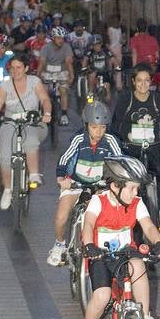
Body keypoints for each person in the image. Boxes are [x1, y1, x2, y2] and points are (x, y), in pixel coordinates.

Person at [75, 155, 160, 319]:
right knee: (102, 296)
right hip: (100, 254)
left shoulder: (136, 203)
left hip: (126, 253)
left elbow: (148, 225)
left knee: (138, 265)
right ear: (115, 186)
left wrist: (159, 242)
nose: (136, 193)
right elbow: (89, 224)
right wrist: (90, 245)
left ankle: (145, 318)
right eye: (132, 188)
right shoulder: (98, 201)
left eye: (138, 188)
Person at [46, 100, 122, 267]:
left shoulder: (111, 141)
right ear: (86, 125)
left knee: (102, 216)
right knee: (61, 216)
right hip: (75, 183)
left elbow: (119, 160)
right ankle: (59, 245)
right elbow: (65, 159)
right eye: (94, 127)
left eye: (102, 127)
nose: (98, 132)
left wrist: (119, 180)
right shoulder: (79, 139)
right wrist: (61, 178)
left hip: (99, 185)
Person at [111, 63, 160, 229]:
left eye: (147, 81)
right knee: (128, 178)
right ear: (133, 82)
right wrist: (115, 141)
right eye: (139, 81)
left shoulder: (157, 99)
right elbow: (116, 123)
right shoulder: (126, 99)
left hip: (153, 145)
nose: (143, 85)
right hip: (130, 146)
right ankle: (124, 208)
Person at [0, 52, 53, 210]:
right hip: (11, 122)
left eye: (19, 67)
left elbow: (45, 99)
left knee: (30, 139)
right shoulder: (5, 85)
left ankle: (34, 174)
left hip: (33, 122)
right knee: (5, 152)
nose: (15, 71)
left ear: (26, 68)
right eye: (12, 68)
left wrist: (47, 113)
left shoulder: (34, 82)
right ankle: (8, 190)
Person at [39, 26, 75, 127]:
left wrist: (71, 76)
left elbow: (68, 62)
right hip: (47, 72)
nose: (61, 40)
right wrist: (38, 75)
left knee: (63, 91)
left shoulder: (67, 47)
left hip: (62, 72)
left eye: (63, 38)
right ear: (53, 38)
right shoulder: (46, 47)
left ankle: (64, 115)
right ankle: (43, 112)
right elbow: (41, 62)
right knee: (43, 92)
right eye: (58, 38)